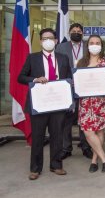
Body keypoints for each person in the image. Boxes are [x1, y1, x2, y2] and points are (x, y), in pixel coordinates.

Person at [18, 28, 72, 180]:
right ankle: (35, 168)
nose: (48, 41)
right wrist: (35, 79)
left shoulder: (63, 58)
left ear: (55, 41)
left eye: (50, 38)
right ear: (41, 41)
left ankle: (56, 165)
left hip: (58, 103)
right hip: (39, 104)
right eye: (44, 38)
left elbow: (68, 77)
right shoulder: (32, 58)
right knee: (38, 137)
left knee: (57, 135)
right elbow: (21, 77)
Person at [77, 34, 105, 173]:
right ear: (87, 46)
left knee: (99, 130)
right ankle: (104, 157)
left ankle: (94, 160)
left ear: (101, 45)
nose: (94, 45)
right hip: (86, 102)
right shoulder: (81, 63)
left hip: (102, 102)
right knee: (88, 132)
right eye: (92, 42)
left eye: (97, 42)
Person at [55, 23, 93, 160]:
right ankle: (66, 148)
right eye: (73, 31)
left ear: (82, 33)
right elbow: (57, 67)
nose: (76, 33)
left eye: (79, 31)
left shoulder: (88, 46)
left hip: (85, 88)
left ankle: (86, 146)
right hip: (67, 88)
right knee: (66, 120)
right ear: (69, 32)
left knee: (84, 119)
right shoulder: (61, 47)